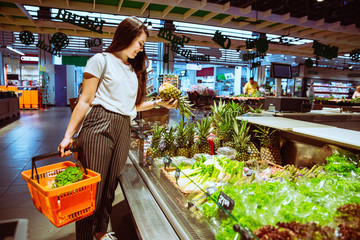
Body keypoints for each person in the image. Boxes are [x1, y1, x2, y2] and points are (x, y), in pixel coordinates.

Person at [58, 16, 177, 240]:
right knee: (93, 187)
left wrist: (158, 103)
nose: (141, 50)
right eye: (139, 43)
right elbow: (85, 100)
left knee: (111, 184)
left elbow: (131, 105)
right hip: (99, 124)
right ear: (127, 36)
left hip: (124, 125)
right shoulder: (100, 60)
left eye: (143, 45)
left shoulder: (133, 70)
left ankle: (100, 232)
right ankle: (84, 236)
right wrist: (68, 135)